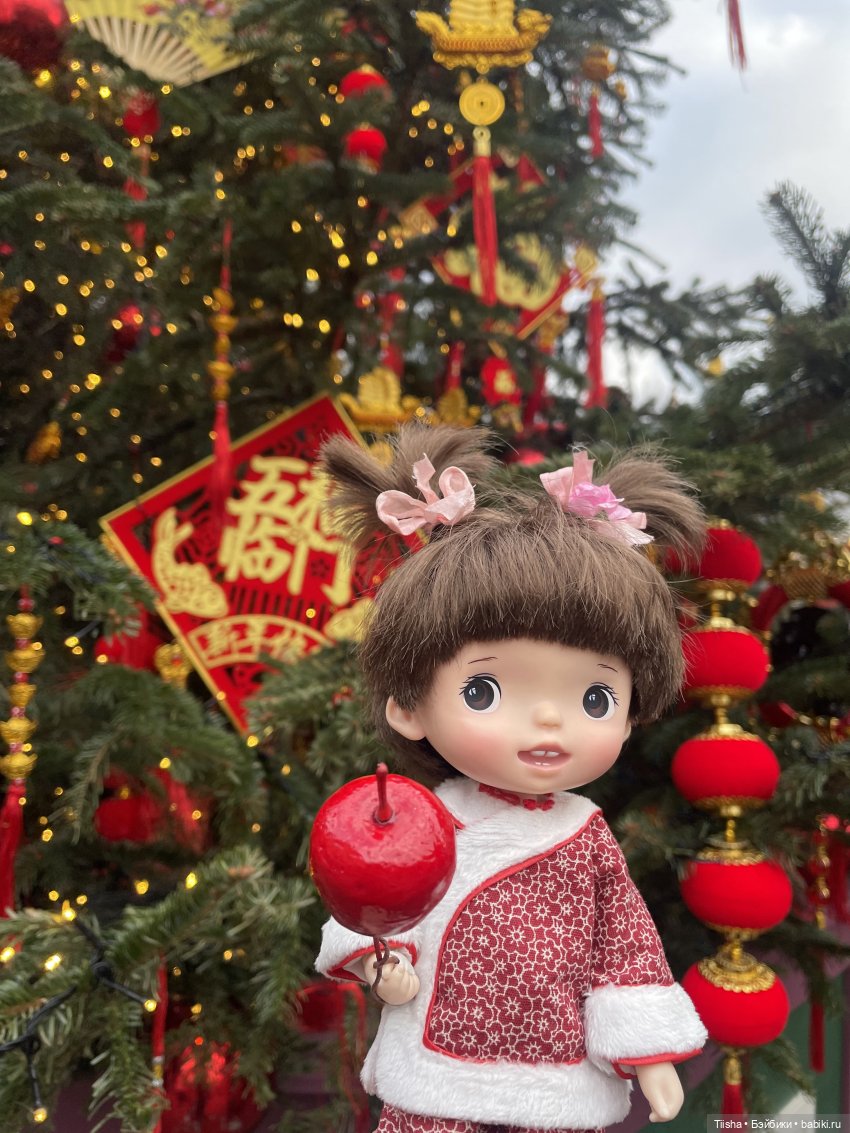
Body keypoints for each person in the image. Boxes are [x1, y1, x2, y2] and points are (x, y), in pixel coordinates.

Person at [315, 425, 708, 1133]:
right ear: (408, 704)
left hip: (558, 1078)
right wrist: (382, 961)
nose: (549, 721)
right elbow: (380, 904)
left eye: (595, 697)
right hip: (435, 1077)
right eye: (485, 690)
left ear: (630, 713)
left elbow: (622, 942)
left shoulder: (586, 836)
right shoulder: (422, 821)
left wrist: (649, 1051)